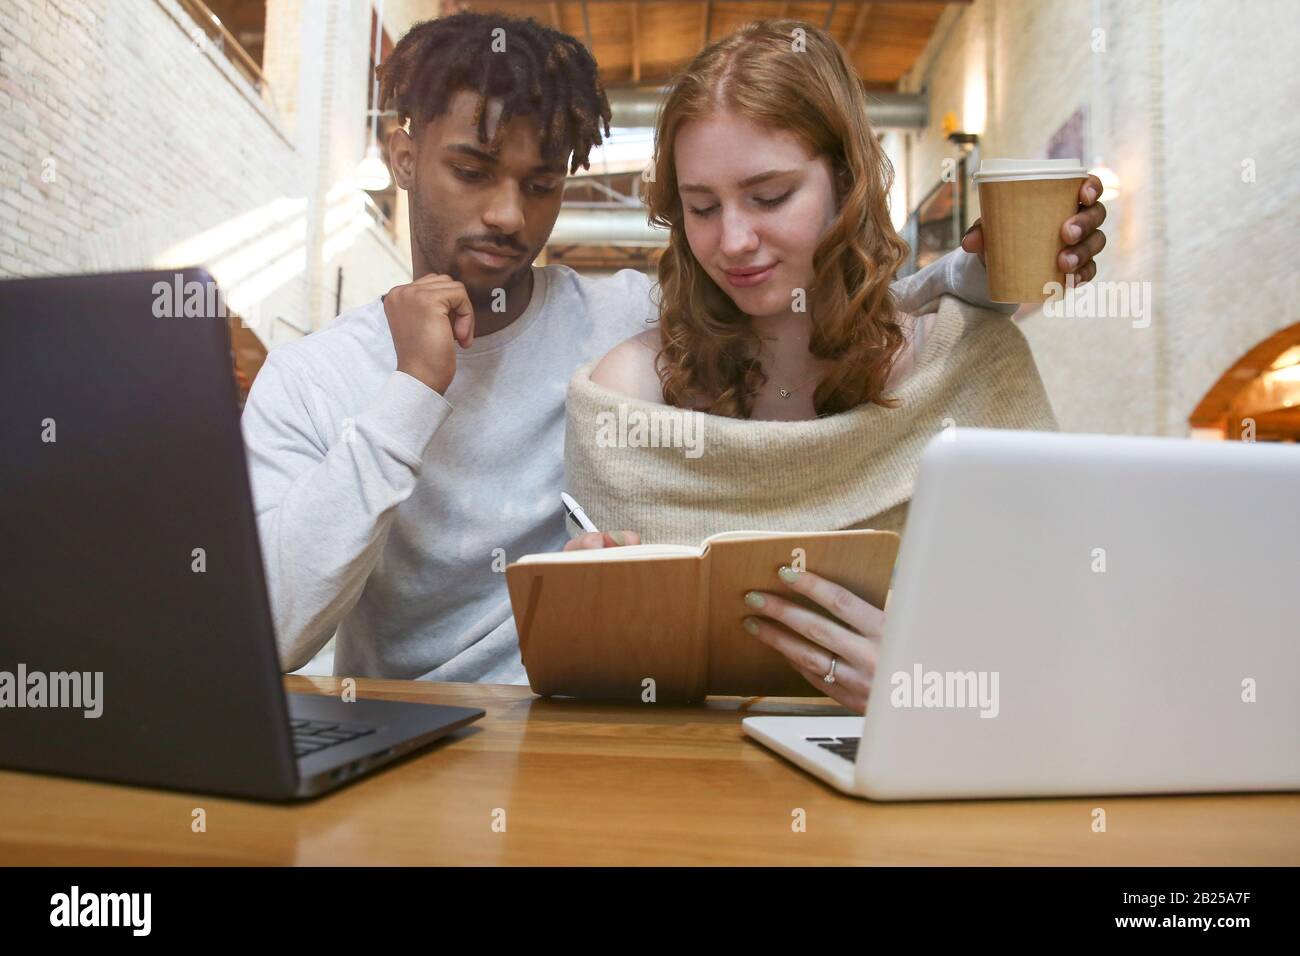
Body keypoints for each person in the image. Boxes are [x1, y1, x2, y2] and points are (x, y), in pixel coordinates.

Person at [240, 12, 1107, 685]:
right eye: (472, 171)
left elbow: (806, 310)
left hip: (583, 725)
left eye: (542, 185)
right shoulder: (311, 379)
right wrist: (412, 389)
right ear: (400, 153)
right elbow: (268, 630)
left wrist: (976, 274)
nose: (509, 215)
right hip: (414, 735)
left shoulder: (624, 315)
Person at [569, 20, 1100, 712]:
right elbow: (600, 691)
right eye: (701, 207)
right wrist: (583, 611)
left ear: (846, 183)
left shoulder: (971, 363)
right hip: (687, 788)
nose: (732, 241)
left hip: (921, 781)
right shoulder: (630, 395)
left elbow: (1072, 638)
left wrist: (929, 689)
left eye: (770, 197)